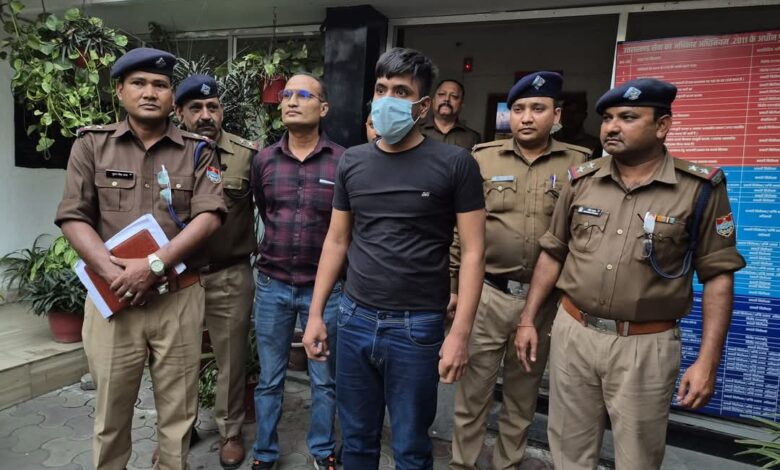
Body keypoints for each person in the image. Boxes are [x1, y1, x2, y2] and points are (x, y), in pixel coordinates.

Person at [515, 78, 746, 470]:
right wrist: (528, 319)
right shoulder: (581, 179)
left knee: (638, 457)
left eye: (627, 117)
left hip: (645, 345)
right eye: (607, 118)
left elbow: (718, 275)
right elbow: (554, 252)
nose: (612, 127)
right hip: (574, 332)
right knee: (569, 450)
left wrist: (707, 361)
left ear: (662, 126)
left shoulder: (698, 188)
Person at [302, 47, 486, 469]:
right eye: (381, 89)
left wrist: (459, 334)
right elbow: (336, 241)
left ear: (423, 106)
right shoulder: (353, 161)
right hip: (354, 318)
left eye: (401, 92)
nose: (387, 100)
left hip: (416, 327)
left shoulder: (456, 164)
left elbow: (475, 252)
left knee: (410, 446)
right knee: (356, 440)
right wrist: (315, 314)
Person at [55, 47, 226, 470]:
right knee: (111, 415)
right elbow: (74, 216)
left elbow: (209, 216)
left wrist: (152, 266)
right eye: (139, 83)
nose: (150, 92)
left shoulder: (198, 151)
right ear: (120, 91)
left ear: (172, 97)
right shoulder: (92, 145)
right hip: (114, 301)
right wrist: (115, 273)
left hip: (178, 298)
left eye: (160, 85)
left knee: (178, 416)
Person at [449, 72, 591, 470]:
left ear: (556, 115)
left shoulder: (579, 164)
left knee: (522, 393)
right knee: (473, 391)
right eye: (518, 109)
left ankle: (507, 463)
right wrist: (454, 286)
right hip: (488, 293)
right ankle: (462, 463)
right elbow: (461, 231)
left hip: (543, 301)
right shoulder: (482, 157)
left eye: (537, 109)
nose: (526, 117)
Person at [250, 73, 345, 470]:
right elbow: (263, 207)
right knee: (270, 378)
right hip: (272, 284)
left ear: (322, 108)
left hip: (325, 290)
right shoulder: (264, 160)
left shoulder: (343, 161)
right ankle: (265, 453)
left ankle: (322, 450)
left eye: (303, 95)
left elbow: (347, 230)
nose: (290, 101)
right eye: (286, 94)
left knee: (324, 378)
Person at [173, 74, 257, 469]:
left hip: (229, 273)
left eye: (213, 107)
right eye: (196, 108)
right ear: (180, 113)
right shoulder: (165, 153)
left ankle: (230, 431)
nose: (206, 115)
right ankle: (180, 429)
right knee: (178, 357)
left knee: (231, 358)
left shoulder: (246, 155)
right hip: (179, 277)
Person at [419, 79, 481, 149]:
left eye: (454, 96)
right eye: (442, 94)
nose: (447, 99)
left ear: (461, 105)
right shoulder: (417, 131)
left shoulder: (472, 137)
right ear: (433, 101)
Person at [553, 91, 602, 159]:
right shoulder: (551, 139)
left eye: (576, 112)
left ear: (584, 116)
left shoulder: (594, 144)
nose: (570, 116)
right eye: (567, 112)